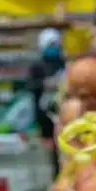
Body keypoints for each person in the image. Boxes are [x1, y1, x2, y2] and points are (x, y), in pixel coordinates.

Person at [29, 29, 65, 178]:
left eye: (55, 44)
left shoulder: (62, 63)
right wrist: (44, 84)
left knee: (64, 151)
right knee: (52, 155)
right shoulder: (37, 67)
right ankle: (56, 178)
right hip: (45, 116)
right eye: (50, 45)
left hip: (63, 113)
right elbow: (32, 91)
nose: (54, 48)